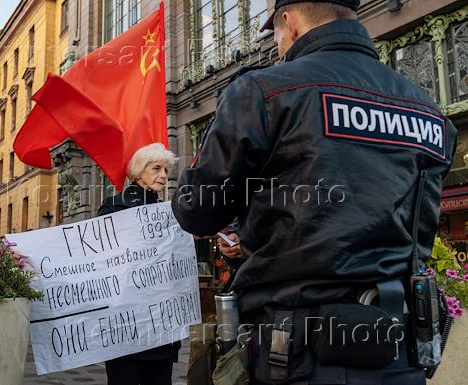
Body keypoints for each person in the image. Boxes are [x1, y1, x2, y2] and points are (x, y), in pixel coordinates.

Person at [171, 1, 457, 384]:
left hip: (295, 354)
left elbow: (196, 209)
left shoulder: (264, 91)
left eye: (274, 32)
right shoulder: (426, 109)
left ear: (288, 22)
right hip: (395, 351)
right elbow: (417, 229)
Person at [98, 142, 180, 385]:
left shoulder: (169, 211)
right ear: (138, 172)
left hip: (162, 328)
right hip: (125, 328)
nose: (164, 176)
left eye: (166, 170)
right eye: (156, 168)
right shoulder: (114, 206)